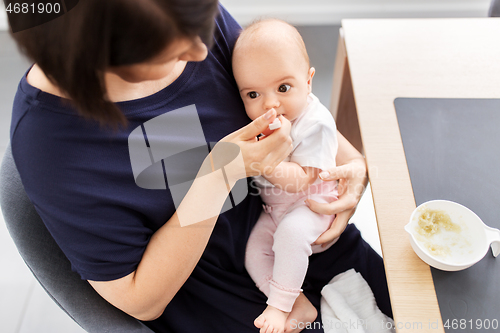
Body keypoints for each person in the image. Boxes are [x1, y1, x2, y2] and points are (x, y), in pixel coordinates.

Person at [8, 1, 392, 332]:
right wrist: (219, 174)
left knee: (422, 310)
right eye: (170, 50)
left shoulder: (181, 15)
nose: (199, 49)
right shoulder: (50, 143)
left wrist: (354, 163)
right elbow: (140, 300)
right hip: (211, 292)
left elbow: (285, 102)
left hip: (293, 224)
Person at [232, 19, 340, 333]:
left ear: (309, 81)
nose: (271, 104)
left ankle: (278, 306)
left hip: (312, 205)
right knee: (253, 252)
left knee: (291, 235)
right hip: (274, 209)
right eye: (253, 94)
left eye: (283, 88)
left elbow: (302, 180)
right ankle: (296, 302)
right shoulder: (265, 121)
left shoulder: (315, 122)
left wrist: (261, 162)